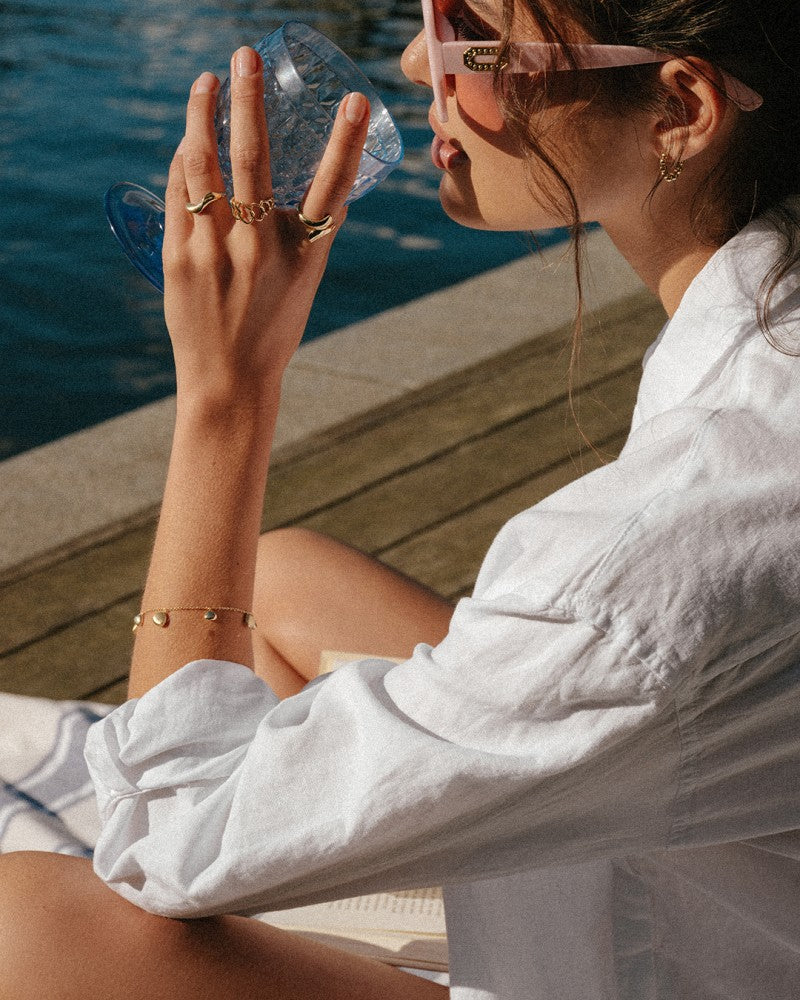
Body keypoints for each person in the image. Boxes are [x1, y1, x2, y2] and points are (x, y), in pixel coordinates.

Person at [1, 0, 799, 996]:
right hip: (708, 844)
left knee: (29, 928)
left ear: (678, 108)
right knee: (278, 578)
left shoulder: (659, 546)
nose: (420, 63)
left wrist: (225, 394)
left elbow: (163, 844)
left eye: (467, 29)